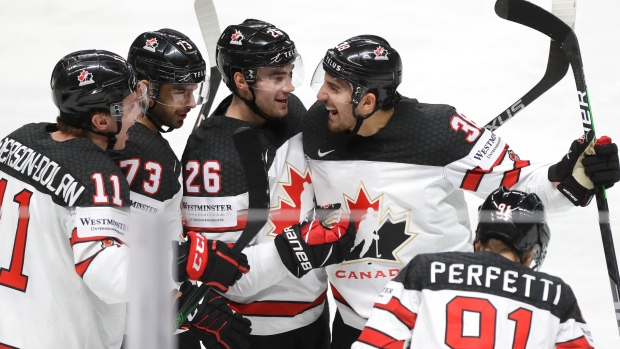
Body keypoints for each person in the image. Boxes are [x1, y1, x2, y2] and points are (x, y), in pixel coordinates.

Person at [290, 34, 618, 348]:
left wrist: (571, 178)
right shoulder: (322, 126)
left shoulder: (441, 132)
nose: (320, 96)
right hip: (353, 327)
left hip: (434, 330)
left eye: (334, 87)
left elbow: (521, 189)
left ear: (368, 101)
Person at [181, 19, 352, 349]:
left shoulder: (289, 112)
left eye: (289, 72)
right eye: (276, 77)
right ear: (241, 82)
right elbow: (223, 279)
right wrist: (297, 249)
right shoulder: (212, 160)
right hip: (251, 334)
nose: (288, 86)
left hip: (313, 316)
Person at [112, 28, 251, 349]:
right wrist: (182, 300)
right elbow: (126, 248)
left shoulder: (120, 133)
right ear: (145, 89)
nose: (191, 102)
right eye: (179, 92)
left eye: (193, 90)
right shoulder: (147, 156)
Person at [0, 49, 147, 348]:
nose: (137, 116)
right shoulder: (97, 176)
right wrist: (172, 260)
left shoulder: (15, 140)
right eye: (129, 107)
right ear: (101, 121)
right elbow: (111, 280)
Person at [352, 186, 595, 348]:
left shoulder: (425, 270)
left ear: (478, 240)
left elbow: (375, 343)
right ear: (532, 251)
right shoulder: (554, 294)